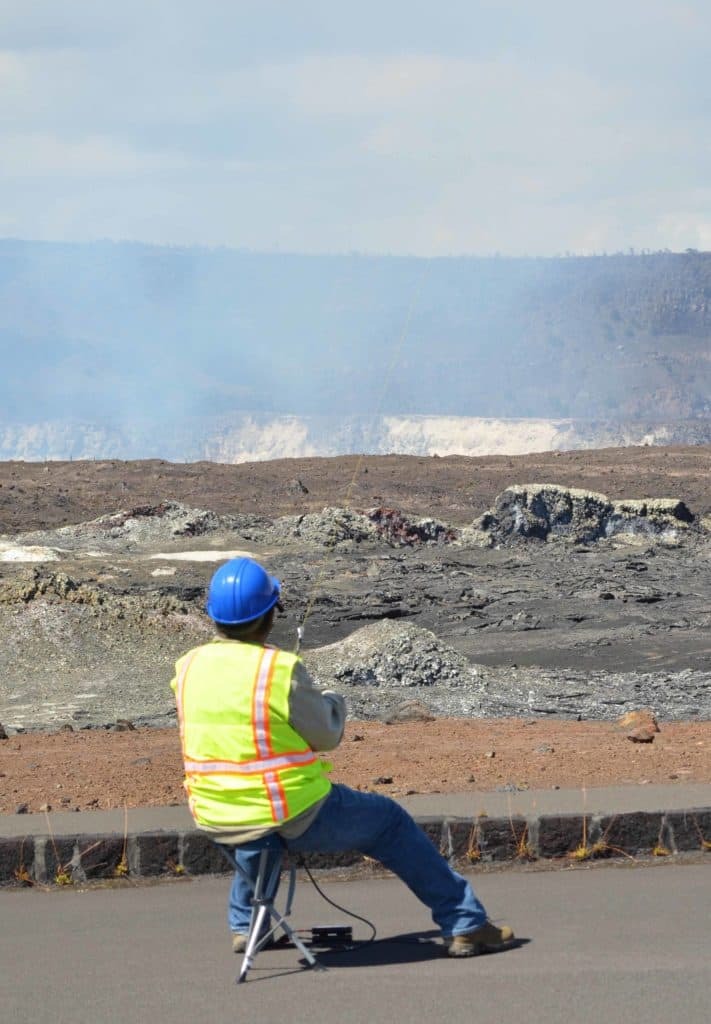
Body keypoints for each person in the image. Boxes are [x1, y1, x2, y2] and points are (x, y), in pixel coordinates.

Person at [171, 556, 514, 958]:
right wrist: (333, 701)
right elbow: (326, 735)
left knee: (256, 837)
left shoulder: (188, 666)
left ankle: (249, 925)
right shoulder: (278, 670)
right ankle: (465, 922)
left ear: (214, 616)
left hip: (213, 811)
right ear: (268, 615)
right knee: (388, 822)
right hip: (287, 809)